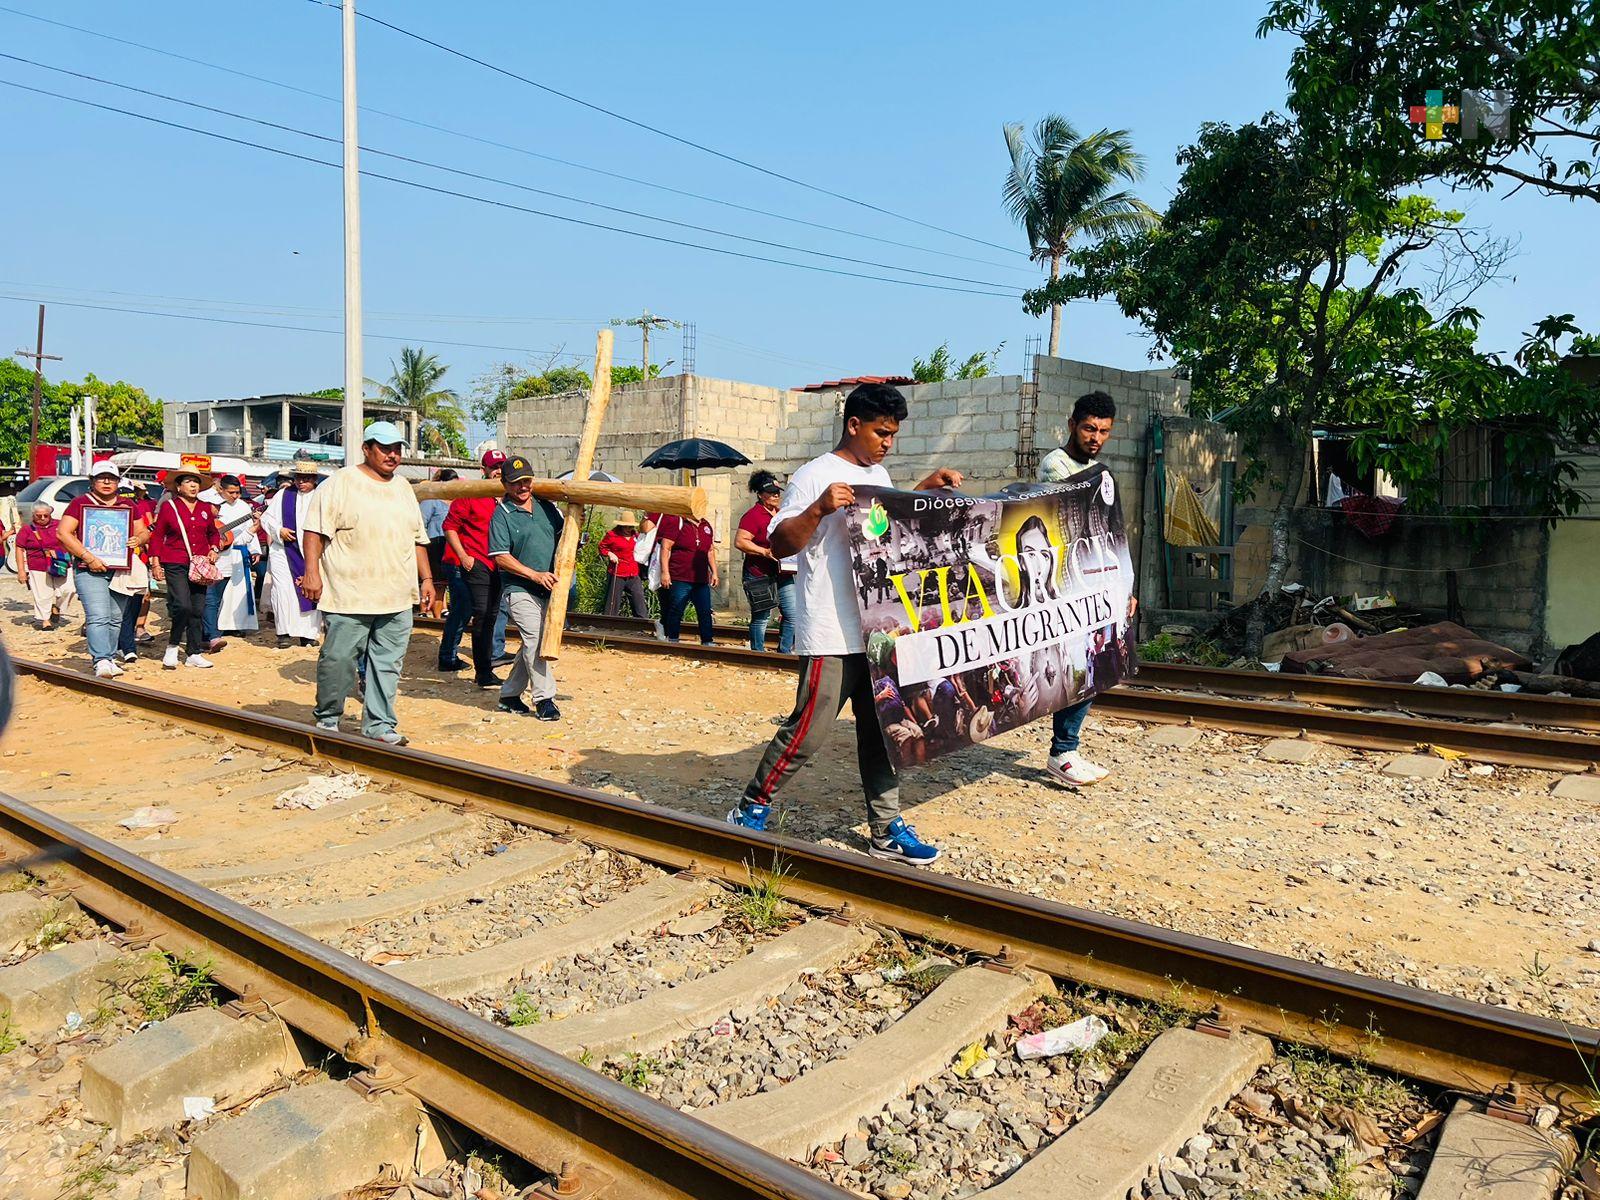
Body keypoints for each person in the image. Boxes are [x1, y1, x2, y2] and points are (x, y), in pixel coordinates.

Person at [727, 382, 962, 865]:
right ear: (853, 425)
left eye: (893, 434)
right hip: (831, 629)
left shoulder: (877, 472)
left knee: (883, 730)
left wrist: (921, 492)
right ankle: (751, 806)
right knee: (808, 731)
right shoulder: (815, 476)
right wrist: (818, 508)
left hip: (876, 630)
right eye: (880, 432)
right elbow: (780, 545)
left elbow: (882, 529)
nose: (887, 442)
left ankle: (886, 828)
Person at [301, 422, 434, 744]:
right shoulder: (341, 483)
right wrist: (312, 572)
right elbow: (314, 532)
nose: (393, 455)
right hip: (349, 594)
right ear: (366, 448)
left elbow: (418, 538)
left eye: (397, 449)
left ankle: (379, 725)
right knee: (339, 660)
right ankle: (328, 718)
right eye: (385, 448)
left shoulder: (403, 487)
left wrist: (427, 579)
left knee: (387, 666)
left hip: (397, 595)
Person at [1035, 389, 1135, 787]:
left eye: (1104, 431)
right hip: (1062, 582)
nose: (1095, 437)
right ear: (1072, 425)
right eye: (1089, 428)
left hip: (1092, 579)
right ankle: (1063, 750)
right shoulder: (1055, 465)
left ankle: (1066, 749)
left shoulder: (1099, 470)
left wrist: (1124, 586)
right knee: (1079, 662)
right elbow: (1079, 514)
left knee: (1094, 659)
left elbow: (1111, 531)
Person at [56, 462, 150, 678]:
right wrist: (89, 558)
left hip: (120, 569)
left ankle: (108, 656)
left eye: (111, 478)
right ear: (92, 481)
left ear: (118, 482)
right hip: (88, 569)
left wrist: (138, 539)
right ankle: (100, 660)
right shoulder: (79, 504)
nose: (107, 482)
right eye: (101, 477)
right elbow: (63, 533)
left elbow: (143, 531)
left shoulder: (129, 505)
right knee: (98, 616)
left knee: (116, 617)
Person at [488, 455, 563, 720]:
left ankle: (509, 694)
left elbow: (562, 535)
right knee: (534, 640)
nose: (522, 487)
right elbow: (500, 557)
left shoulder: (545, 508)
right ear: (505, 485)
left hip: (548, 588)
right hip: (519, 589)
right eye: (516, 483)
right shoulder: (501, 515)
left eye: (526, 481)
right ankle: (545, 699)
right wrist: (534, 575)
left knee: (533, 643)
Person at [442, 449, 506, 688]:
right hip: (476, 561)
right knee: (481, 614)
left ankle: (485, 668)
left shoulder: (507, 497)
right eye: (493, 467)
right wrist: (463, 556)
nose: (498, 471)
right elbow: (449, 526)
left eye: (501, 466)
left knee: (491, 615)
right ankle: (483, 672)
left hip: (499, 565)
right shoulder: (471, 495)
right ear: (484, 470)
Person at [148, 466, 223, 670]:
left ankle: (193, 652)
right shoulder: (169, 507)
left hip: (200, 564)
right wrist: (155, 562)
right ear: (179, 487)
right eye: (188, 481)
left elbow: (213, 533)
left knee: (198, 608)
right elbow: (157, 535)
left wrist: (215, 548)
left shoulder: (206, 508)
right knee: (182, 605)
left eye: (196, 481)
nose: (193, 485)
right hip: (175, 560)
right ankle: (172, 645)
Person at [259, 459, 325, 648]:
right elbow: (266, 519)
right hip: (283, 550)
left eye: (305, 479)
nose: (301, 482)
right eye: (298, 478)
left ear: (314, 479)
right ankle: (284, 633)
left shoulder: (320, 496)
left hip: (312, 552)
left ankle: (308, 634)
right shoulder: (284, 495)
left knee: (310, 590)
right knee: (283, 590)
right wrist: (279, 530)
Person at [736, 470, 795, 653]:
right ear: (760, 494)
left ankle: (784, 652)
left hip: (782, 572)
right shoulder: (753, 516)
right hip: (758, 574)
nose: (776, 495)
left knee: (792, 615)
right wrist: (764, 551)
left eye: (778, 491)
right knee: (762, 616)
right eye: (771, 492)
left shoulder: (781, 513)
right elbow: (740, 541)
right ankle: (758, 653)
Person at [658, 509, 717, 645]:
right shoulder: (677, 522)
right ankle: (672, 638)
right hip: (680, 576)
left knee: (705, 611)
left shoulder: (706, 525)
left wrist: (714, 572)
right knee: (676, 609)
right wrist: (665, 572)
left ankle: (707, 640)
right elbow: (666, 547)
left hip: (701, 578)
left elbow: (710, 550)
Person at [212, 475, 260, 636]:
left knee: (238, 590)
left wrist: (254, 550)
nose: (235, 496)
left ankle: (237, 625)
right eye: (231, 492)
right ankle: (217, 625)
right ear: (221, 490)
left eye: (237, 492)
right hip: (220, 554)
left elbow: (249, 527)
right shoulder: (215, 506)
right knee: (220, 592)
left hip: (239, 553)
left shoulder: (244, 506)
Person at [16, 502, 74, 629]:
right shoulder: (26, 529)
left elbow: (71, 540)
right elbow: (19, 549)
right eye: (39, 516)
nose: (42, 518)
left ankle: (57, 608)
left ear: (50, 514)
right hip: (38, 565)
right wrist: (21, 570)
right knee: (43, 594)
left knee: (69, 589)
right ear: (33, 515)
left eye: (45, 515)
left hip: (61, 562)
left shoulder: (60, 525)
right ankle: (45, 620)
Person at [420, 467, 455, 619]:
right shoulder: (431, 501)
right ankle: (427, 611)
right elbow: (421, 523)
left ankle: (438, 616)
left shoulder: (456, 502)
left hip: (448, 547)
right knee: (434, 582)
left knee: (442, 584)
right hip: (433, 546)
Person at [597, 511, 648, 618]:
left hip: (633, 572)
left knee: (638, 600)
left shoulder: (636, 536)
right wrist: (610, 553)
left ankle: (642, 625)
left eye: (631, 526)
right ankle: (608, 624)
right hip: (617, 572)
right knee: (612, 602)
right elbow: (602, 547)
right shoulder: (612, 535)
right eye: (626, 526)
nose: (629, 529)